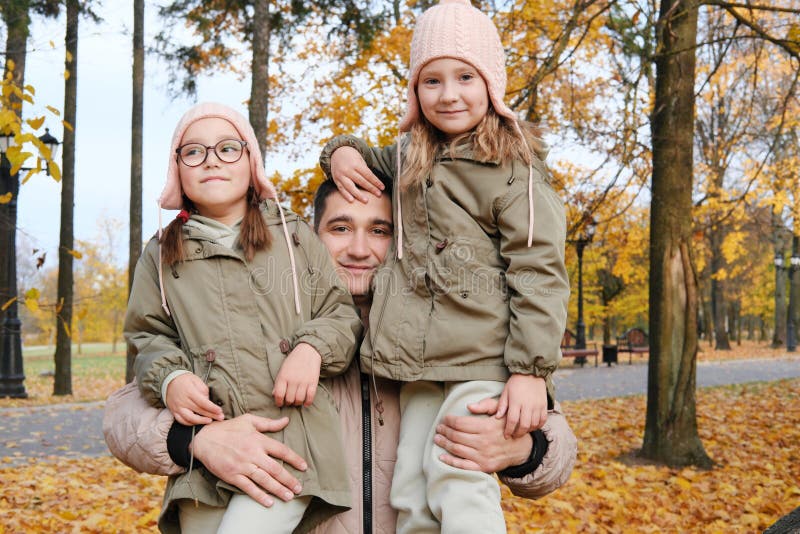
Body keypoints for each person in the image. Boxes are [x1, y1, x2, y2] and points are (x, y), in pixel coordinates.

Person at [105, 175, 578, 533]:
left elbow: (556, 439)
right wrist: (194, 442)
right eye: (339, 227)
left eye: (379, 230)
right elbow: (124, 412)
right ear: (311, 236)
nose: (358, 249)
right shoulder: (274, 317)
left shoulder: (447, 333)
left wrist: (522, 448)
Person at [318, 0, 571, 532]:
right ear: (414, 91)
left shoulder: (514, 171)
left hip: (482, 361)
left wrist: (529, 373)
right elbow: (359, 157)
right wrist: (340, 151)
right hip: (418, 370)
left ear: (491, 85)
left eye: (465, 77)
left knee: (457, 476)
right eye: (431, 80)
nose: (449, 94)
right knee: (410, 490)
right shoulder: (411, 156)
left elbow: (539, 274)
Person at [124, 102, 362, 534]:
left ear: (251, 160)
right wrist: (170, 378)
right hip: (207, 458)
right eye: (194, 152)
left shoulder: (292, 237)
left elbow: (339, 314)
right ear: (177, 168)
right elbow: (147, 336)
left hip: (290, 442)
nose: (212, 160)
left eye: (227, 148)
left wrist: (312, 348)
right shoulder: (161, 255)